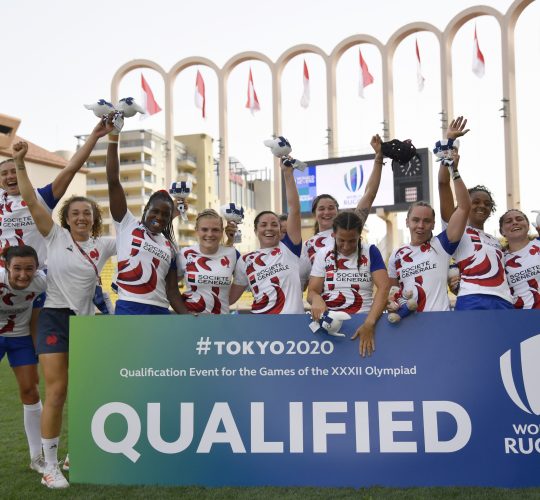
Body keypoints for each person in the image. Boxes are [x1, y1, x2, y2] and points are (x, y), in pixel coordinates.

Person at [13, 140, 117, 489]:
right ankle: (50, 466)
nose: (82, 217)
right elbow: (30, 199)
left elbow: (138, 235)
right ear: (66, 218)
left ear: (94, 218)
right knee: (56, 392)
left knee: (90, 390)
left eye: (87, 213)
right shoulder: (54, 236)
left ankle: (79, 453)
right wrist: (19, 163)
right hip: (55, 318)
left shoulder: (104, 245)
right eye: (75, 213)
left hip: (89, 323)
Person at [0, 118, 115, 340]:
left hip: (37, 277)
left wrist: (94, 136)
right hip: (5, 276)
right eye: (4, 173)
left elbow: (71, 168)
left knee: (35, 345)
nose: (10, 176)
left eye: (14, 170)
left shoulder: (41, 198)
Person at [106, 129, 188, 314]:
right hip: (129, 307)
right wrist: (113, 137)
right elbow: (113, 181)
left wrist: (191, 318)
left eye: (165, 215)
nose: (159, 217)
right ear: (146, 210)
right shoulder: (127, 224)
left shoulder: (170, 247)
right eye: (155, 212)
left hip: (160, 311)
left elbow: (173, 292)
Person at [438, 116, 513, 310]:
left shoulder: (496, 241)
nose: (482, 206)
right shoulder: (456, 228)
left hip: (504, 301)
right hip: (472, 298)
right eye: (476, 201)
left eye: (487, 204)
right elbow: (443, 184)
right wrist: (449, 143)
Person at [388, 149, 471, 312]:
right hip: (408, 325)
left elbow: (464, 207)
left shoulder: (441, 244)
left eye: (426, 221)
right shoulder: (396, 254)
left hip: (439, 323)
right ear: (407, 222)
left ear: (433, 224)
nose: (420, 225)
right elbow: (392, 294)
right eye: (415, 220)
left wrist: (454, 171)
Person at [300, 134, 386, 283]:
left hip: (358, 301)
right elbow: (303, 283)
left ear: (337, 211)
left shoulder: (351, 225)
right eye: (321, 209)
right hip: (327, 305)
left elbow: (369, 194)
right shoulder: (309, 245)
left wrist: (378, 158)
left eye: (331, 208)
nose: (326, 212)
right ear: (314, 214)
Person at [307, 211, 390, 356]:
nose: (346, 246)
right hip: (329, 328)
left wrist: (369, 323)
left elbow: (384, 287)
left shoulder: (370, 251)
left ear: (360, 236)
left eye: (352, 241)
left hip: (364, 323)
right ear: (333, 235)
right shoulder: (322, 253)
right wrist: (316, 299)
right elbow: (312, 291)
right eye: (341, 241)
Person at [231, 158, 303, 313]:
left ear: (280, 230)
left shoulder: (289, 248)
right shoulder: (245, 260)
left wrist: (288, 173)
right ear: (256, 231)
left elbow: (294, 209)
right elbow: (230, 298)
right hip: (262, 328)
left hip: (294, 329)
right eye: (263, 225)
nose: (269, 229)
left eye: (274, 224)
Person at [0, 246, 46, 474]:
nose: (23, 274)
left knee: (31, 391)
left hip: (20, 337)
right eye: (17, 268)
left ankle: (37, 457)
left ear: (37, 268)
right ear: (6, 266)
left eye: (29, 269)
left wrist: (39, 349)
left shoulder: (41, 283)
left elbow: (37, 316)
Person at [178, 209, 239, 314]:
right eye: (204, 229)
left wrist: (223, 303)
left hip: (221, 323)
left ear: (222, 231)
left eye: (215, 230)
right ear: (196, 230)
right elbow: (170, 288)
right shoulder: (185, 254)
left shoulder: (233, 254)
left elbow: (243, 282)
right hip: (191, 322)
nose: (210, 234)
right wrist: (184, 312)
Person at [499, 210, 540, 309]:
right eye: (509, 221)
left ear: (528, 226)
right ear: (502, 231)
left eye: (519, 219)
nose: (515, 222)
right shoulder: (498, 260)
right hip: (522, 319)